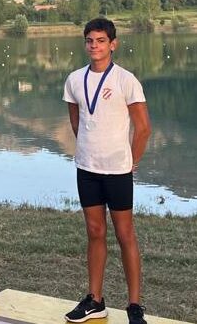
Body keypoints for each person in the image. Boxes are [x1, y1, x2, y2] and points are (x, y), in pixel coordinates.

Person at [63, 18, 151, 324]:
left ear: (112, 44)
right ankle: (95, 300)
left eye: (101, 40)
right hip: (86, 168)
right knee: (95, 232)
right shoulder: (74, 79)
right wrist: (90, 150)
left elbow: (143, 128)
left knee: (125, 234)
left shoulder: (126, 80)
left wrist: (131, 160)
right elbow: (77, 122)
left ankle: (135, 305)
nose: (94, 46)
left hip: (118, 171)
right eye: (90, 40)